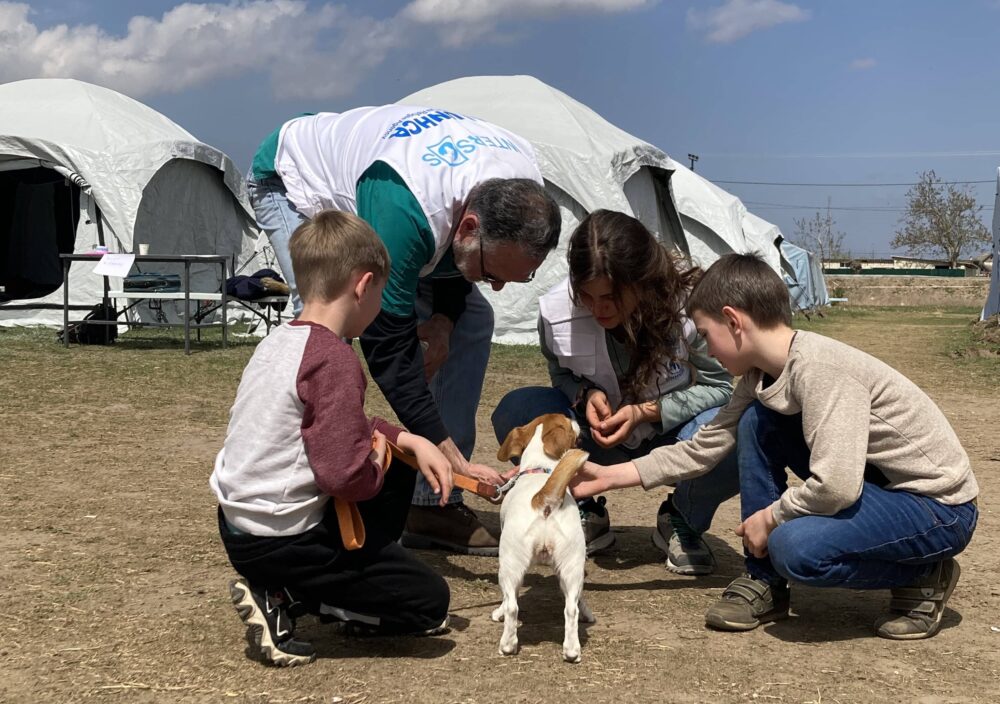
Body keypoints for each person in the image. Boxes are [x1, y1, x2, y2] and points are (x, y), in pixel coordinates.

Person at [570, 253, 979, 639]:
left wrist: (771, 517)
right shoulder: (759, 378)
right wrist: (607, 476)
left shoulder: (820, 370)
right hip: (881, 489)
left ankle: (926, 574)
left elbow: (836, 486)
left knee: (795, 549)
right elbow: (703, 447)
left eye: (707, 335)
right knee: (755, 420)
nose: (707, 350)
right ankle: (763, 580)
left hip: (938, 509)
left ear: (733, 321)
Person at [247, 106, 561, 555]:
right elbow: (386, 345)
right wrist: (444, 448)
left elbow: (457, 259)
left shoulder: (523, 184)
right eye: (493, 273)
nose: (495, 286)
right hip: (292, 178)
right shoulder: (408, 208)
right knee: (325, 325)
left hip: (412, 199)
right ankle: (296, 504)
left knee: (474, 319)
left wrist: (444, 323)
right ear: (470, 226)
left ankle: (431, 504)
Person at [210, 211, 456, 666]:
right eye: (381, 294)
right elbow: (343, 475)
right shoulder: (334, 359)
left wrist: (409, 440)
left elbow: (342, 426)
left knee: (396, 459)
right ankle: (288, 597)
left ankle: (321, 583)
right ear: (364, 286)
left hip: (239, 526)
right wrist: (378, 462)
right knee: (429, 603)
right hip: (283, 539)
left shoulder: (279, 342)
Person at [491, 210, 739, 573]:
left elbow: (719, 386)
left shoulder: (691, 307)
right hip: (596, 439)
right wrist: (586, 393)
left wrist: (649, 411)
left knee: (737, 432)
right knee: (519, 409)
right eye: (586, 296)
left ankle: (684, 515)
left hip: (671, 439)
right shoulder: (555, 313)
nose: (598, 308)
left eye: (610, 296)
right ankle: (579, 507)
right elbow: (560, 374)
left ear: (642, 280)